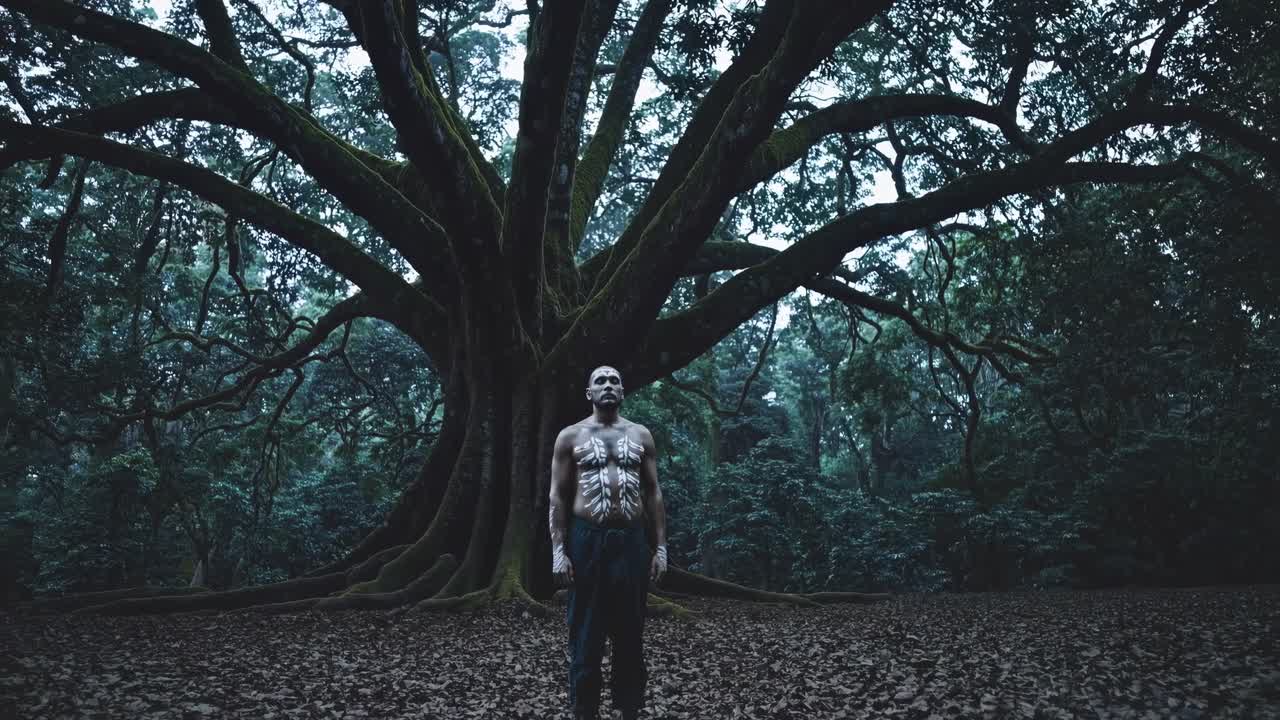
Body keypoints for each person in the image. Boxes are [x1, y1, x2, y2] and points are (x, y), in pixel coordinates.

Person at [549, 365, 667, 720]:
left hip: (631, 542)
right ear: (589, 393)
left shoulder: (641, 435)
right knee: (586, 634)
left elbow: (653, 493)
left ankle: (629, 709)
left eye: (615, 380)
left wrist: (660, 548)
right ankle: (585, 711)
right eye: (600, 381)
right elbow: (557, 496)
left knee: (630, 633)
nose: (608, 385)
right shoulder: (570, 437)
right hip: (587, 540)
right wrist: (558, 551)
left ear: (623, 391)